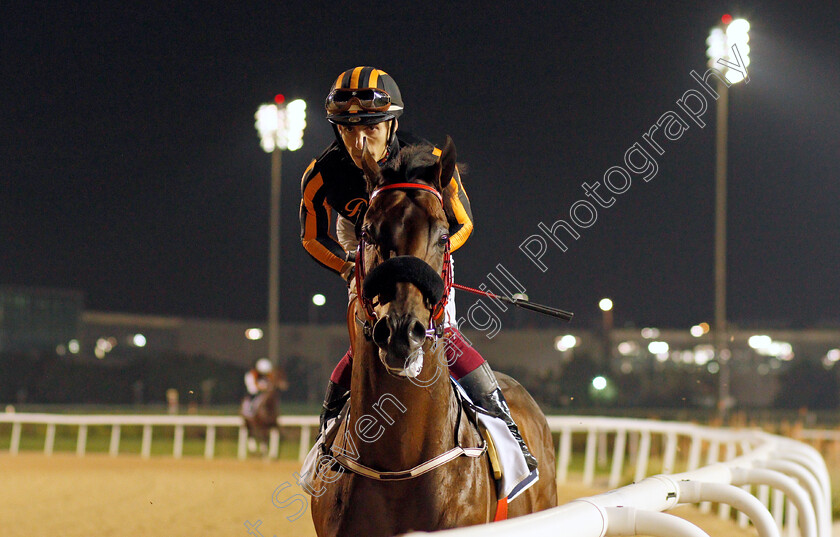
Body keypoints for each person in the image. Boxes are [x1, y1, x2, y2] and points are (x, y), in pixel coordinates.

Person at [298, 66, 537, 472]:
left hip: (425, 242)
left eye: (370, 128)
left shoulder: (430, 160)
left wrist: (425, 266)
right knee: (365, 339)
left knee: (440, 335)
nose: (359, 142)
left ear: (392, 123)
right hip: (363, 241)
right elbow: (310, 237)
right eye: (347, 129)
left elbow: (463, 224)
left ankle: (507, 433)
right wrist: (348, 267)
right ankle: (327, 442)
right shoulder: (320, 174)